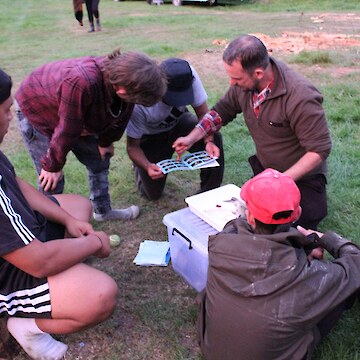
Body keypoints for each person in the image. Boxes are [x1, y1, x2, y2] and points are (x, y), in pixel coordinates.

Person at [0, 68, 118, 360]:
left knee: (77, 207)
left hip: (23, 245)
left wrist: (67, 220)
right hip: (11, 273)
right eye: (4, 111)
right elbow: (38, 262)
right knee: (101, 294)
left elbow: (14, 182)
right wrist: (94, 242)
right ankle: (24, 324)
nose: (9, 119)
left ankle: (64, 278)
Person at [197, 168, 360, 360]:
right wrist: (324, 239)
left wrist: (302, 244)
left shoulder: (220, 245)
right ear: (298, 213)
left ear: (250, 217)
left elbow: (235, 227)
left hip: (212, 352)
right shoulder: (307, 276)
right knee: (342, 289)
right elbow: (356, 262)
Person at [173, 34, 332, 230]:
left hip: (302, 177)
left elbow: (319, 149)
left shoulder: (300, 96)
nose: (232, 83)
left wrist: (281, 181)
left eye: (236, 78)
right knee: (257, 224)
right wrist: (192, 138)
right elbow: (220, 112)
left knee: (294, 229)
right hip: (267, 169)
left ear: (258, 73)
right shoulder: (244, 86)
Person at [15, 49, 167, 222]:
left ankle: (102, 211)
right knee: (52, 179)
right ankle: (47, 228)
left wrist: (106, 141)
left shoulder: (124, 84)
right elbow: (68, 128)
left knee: (99, 160)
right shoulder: (82, 82)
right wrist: (53, 165)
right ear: (122, 90)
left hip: (74, 110)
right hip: (38, 109)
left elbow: (122, 112)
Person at [126, 58, 224, 200]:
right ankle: (138, 169)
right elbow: (132, 147)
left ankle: (208, 193)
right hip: (150, 136)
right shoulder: (139, 103)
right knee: (152, 195)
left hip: (179, 123)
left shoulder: (189, 76)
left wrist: (208, 140)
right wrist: (147, 166)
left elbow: (204, 115)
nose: (179, 101)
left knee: (215, 137)